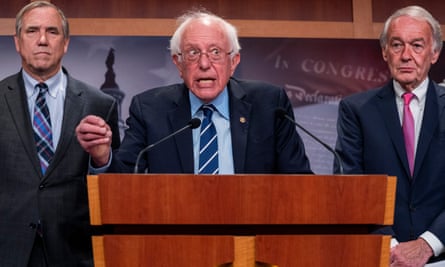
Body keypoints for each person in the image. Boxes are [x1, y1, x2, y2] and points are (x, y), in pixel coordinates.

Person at [76, 9, 312, 174]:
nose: (204, 63)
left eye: (216, 52)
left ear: (234, 61)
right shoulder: (150, 109)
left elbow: (299, 182)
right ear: (178, 63)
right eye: (192, 53)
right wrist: (102, 156)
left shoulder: (270, 105)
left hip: (252, 239)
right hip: (178, 238)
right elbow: (121, 181)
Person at [0, 1, 120, 266]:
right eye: (32, 31)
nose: (42, 40)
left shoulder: (100, 103)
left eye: (52, 32)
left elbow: (116, 189)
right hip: (8, 250)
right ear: (17, 42)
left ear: (65, 43)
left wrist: (102, 160)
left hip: (73, 252)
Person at [334, 5, 445, 266]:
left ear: (435, 53)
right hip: (381, 256)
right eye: (397, 45)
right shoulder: (355, 110)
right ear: (385, 52)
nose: (406, 55)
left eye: (417, 45)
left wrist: (427, 244)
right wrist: (391, 246)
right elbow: (351, 186)